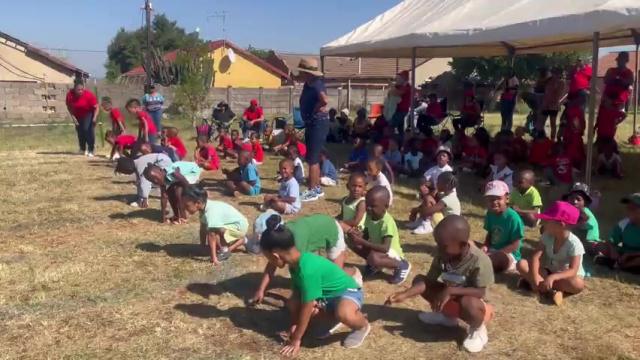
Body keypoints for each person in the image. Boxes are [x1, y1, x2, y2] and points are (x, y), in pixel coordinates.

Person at [258, 220, 370, 356]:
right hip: (326, 298)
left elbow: (307, 305)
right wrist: (294, 325)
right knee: (293, 303)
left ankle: (362, 325)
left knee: (343, 313)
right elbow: (297, 296)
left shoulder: (307, 269)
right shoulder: (295, 264)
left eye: (268, 258)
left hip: (348, 292)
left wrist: (296, 339)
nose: (270, 262)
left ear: (275, 255)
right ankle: (334, 318)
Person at [386, 215, 494, 353]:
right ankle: (448, 317)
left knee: (469, 303)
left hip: (475, 306)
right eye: (437, 244)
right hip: (450, 299)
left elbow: (481, 292)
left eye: (443, 246)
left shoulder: (480, 260)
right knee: (419, 280)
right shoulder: (442, 254)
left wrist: (450, 290)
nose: (439, 249)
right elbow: (428, 281)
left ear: (461, 245)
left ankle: (478, 330)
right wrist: (404, 294)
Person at [249, 213, 357, 304]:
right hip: (316, 226)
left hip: (332, 228)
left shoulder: (296, 246)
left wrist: (297, 300)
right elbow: (272, 263)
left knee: (333, 276)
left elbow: (301, 274)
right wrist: (261, 289)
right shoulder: (281, 239)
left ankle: (354, 274)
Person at [517, 201, 585, 306]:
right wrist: (535, 276)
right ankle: (550, 289)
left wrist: (552, 278)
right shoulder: (547, 235)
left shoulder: (575, 244)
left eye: (548, 220)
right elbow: (536, 257)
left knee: (578, 284)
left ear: (561, 224)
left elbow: (573, 270)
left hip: (566, 278)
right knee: (521, 264)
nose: (544, 222)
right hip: (549, 271)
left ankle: (538, 285)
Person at [346, 186, 411, 284]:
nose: (368, 208)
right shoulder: (369, 215)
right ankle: (374, 265)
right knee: (351, 242)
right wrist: (357, 235)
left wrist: (362, 241)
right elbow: (367, 234)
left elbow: (385, 248)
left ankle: (401, 265)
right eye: (367, 205)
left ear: (385, 207)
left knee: (374, 258)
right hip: (377, 250)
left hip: (391, 253)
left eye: (373, 206)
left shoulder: (386, 222)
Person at [182, 186, 249, 264]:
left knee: (215, 234)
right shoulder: (203, 208)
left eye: (187, 206)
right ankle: (226, 246)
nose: (184, 208)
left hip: (239, 227)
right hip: (229, 225)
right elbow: (203, 228)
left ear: (198, 203)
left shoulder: (210, 213)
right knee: (211, 230)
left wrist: (213, 258)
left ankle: (241, 240)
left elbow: (212, 235)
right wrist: (202, 246)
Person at [297, 58, 330, 202]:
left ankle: (312, 190)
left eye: (302, 71)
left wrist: (315, 110)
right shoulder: (309, 83)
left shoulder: (316, 84)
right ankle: (316, 188)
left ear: (307, 72)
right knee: (312, 156)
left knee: (313, 158)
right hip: (312, 123)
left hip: (318, 123)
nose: (301, 73)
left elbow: (324, 100)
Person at [482, 180, 524, 273]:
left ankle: (483, 262)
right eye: (490, 199)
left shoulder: (513, 218)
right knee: (469, 243)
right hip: (492, 250)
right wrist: (485, 246)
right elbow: (490, 233)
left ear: (507, 198)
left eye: (498, 198)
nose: (494, 202)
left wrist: (496, 253)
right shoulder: (490, 213)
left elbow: (516, 244)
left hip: (508, 254)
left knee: (498, 259)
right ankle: (483, 261)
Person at [594, 193, 640, 272]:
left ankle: (621, 266)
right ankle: (618, 263)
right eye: (628, 207)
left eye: (633, 208)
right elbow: (611, 241)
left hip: (636, 256)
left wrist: (629, 255)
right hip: (623, 253)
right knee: (600, 245)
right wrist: (614, 252)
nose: (628, 210)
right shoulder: (624, 224)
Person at [563, 183, 601, 253]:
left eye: (578, 199)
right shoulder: (571, 210)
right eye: (571, 198)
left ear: (585, 202)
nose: (574, 201)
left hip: (589, 242)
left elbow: (581, 225)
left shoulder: (585, 214)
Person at [66, 81, 99, 157]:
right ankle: (82, 149)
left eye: (82, 89)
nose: (80, 91)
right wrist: (73, 118)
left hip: (88, 113)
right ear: (74, 89)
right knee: (80, 131)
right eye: (78, 90)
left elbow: (97, 107)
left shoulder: (88, 95)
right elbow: (69, 107)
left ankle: (91, 149)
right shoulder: (70, 95)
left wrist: (94, 118)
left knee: (86, 129)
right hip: (77, 115)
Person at [541, 67, 566, 140]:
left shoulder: (561, 82)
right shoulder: (548, 81)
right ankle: (543, 136)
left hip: (553, 105)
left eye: (555, 73)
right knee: (542, 122)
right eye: (553, 73)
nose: (554, 74)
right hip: (546, 104)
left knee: (553, 123)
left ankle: (552, 138)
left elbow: (558, 94)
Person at [389, 70, 412, 140]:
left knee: (391, 125)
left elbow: (397, 93)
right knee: (400, 130)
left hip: (402, 111)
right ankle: (401, 144)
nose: (397, 79)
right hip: (397, 110)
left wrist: (393, 87)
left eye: (400, 77)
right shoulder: (399, 86)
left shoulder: (407, 87)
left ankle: (391, 142)